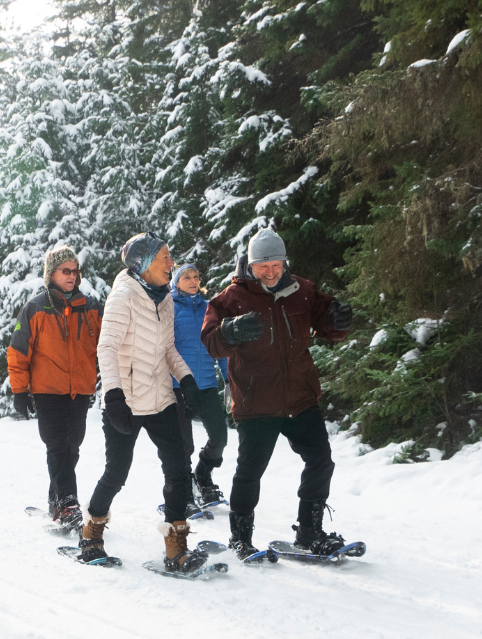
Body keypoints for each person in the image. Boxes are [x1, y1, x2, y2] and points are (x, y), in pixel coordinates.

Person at [201, 228, 355, 560]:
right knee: (250, 471)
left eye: (276, 264)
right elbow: (211, 342)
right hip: (257, 402)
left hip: (300, 397)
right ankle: (240, 538)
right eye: (262, 266)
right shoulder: (230, 298)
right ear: (250, 264)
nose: (270, 272)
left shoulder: (302, 290)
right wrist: (230, 330)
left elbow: (329, 325)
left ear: (285, 262)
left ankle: (310, 532)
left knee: (320, 460)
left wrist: (338, 321)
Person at [79, 232, 206, 573]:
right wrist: (114, 395)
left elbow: (167, 349)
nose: (172, 263)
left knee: (178, 468)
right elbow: (106, 348)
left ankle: (176, 545)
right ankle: (91, 529)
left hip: (160, 397)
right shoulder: (123, 297)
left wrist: (188, 379)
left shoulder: (164, 297)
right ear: (144, 263)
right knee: (117, 472)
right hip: (126, 401)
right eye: (164, 257)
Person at [7, 245, 102, 532]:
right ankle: (68, 503)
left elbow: (106, 346)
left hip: (80, 389)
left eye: (75, 271)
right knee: (57, 445)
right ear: (52, 274)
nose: (72, 276)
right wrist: (19, 390)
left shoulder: (92, 307)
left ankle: (56, 500)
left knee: (72, 448)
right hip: (47, 390)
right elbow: (18, 351)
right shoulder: (35, 308)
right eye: (66, 271)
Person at [169, 264, 231, 508]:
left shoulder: (209, 309)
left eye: (196, 277)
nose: (193, 281)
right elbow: (165, 348)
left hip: (206, 385)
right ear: (176, 282)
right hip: (178, 386)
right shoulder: (169, 308)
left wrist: (228, 380)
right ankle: (184, 491)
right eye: (187, 277)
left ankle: (202, 476)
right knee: (184, 445)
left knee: (220, 436)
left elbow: (221, 349)